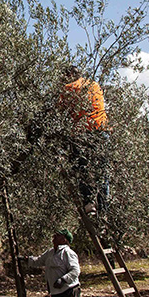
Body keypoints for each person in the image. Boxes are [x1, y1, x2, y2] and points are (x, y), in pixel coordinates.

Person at [60, 65, 110, 217]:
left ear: (68, 75)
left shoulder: (68, 88)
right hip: (102, 131)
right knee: (102, 172)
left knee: (82, 168)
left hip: (83, 132)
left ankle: (89, 204)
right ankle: (103, 208)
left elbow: (59, 111)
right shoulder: (94, 85)